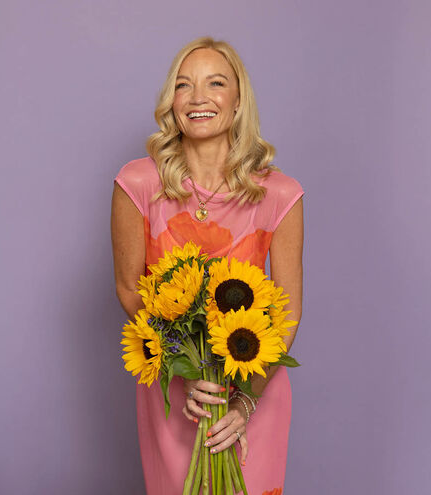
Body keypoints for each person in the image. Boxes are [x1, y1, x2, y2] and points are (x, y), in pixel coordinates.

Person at [111, 37, 304, 495]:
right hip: (177, 393)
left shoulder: (279, 194)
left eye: (215, 83)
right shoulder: (136, 183)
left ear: (237, 102)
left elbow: (289, 310)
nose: (197, 97)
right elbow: (128, 288)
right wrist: (184, 368)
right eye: (183, 86)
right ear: (172, 104)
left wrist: (244, 402)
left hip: (254, 388)